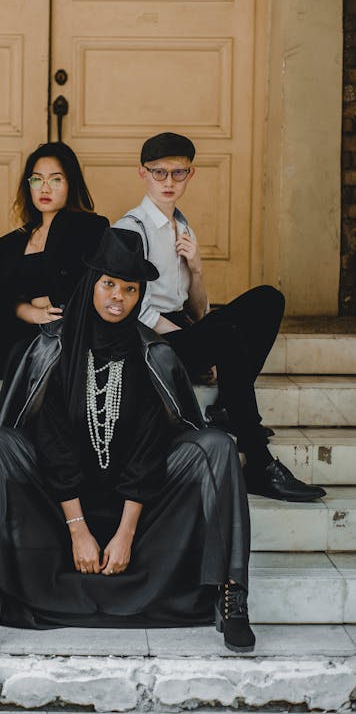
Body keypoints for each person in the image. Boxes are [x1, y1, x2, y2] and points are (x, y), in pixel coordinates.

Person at [0, 228, 254, 655]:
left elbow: (154, 447)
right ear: (91, 283)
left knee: (217, 446)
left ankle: (230, 593)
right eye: (109, 284)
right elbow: (51, 442)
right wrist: (78, 530)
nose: (118, 297)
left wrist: (125, 532)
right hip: (57, 503)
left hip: (141, 503)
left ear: (140, 295)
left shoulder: (155, 354)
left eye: (130, 289)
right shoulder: (50, 348)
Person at [114, 132, 325, 503]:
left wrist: (195, 267)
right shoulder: (131, 230)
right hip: (149, 341)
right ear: (142, 174)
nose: (168, 182)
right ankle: (258, 462)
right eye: (159, 173)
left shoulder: (183, 226)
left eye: (177, 173)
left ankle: (227, 404)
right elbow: (130, 308)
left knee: (267, 299)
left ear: (190, 175)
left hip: (181, 327)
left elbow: (198, 312)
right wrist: (192, 339)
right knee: (225, 335)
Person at [0, 142, 108, 433]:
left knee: (24, 345)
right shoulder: (11, 242)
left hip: (59, 342)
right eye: (37, 179)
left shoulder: (92, 229)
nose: (44, 188)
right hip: (16, 336)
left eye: (56, 179)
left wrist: (57, 228)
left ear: (71, 183)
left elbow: (75, 291)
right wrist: (30, 310)